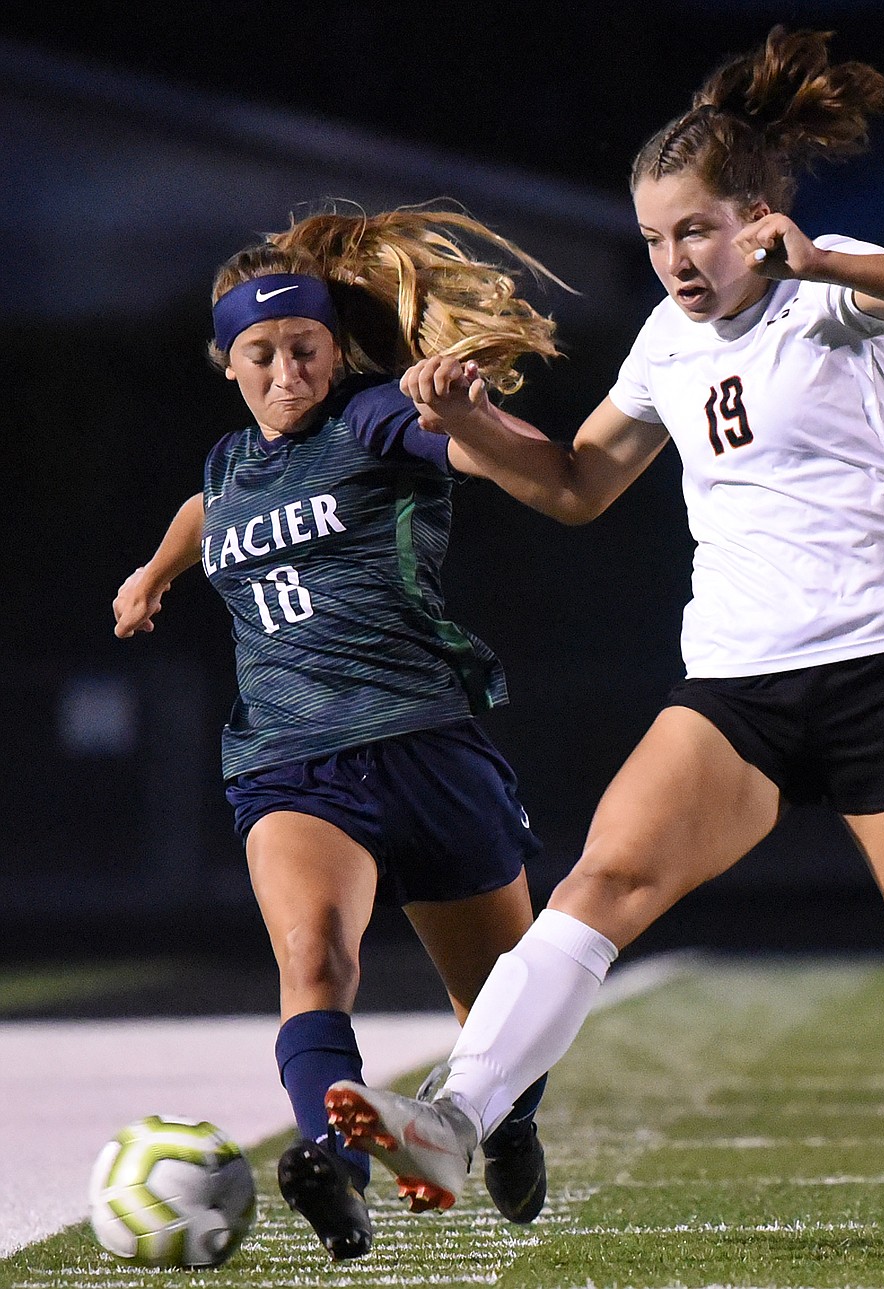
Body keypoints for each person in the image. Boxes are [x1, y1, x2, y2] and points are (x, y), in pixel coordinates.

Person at [321, 25, 884, 1212]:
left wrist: (829, 268)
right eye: (654, 237)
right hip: (738, 680)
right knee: (602, 880)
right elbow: (580, 485)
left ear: (755, 216)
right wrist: (475, 424)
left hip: (883, 666)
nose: (675, 259)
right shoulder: (666, 339)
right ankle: (452, 1114)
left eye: (694, 228)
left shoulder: (828, 280)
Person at [112, 207, 572, 1258]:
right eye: (259, 353)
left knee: (497, 1006)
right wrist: (154, 572)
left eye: (303, 348)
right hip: (292, 761)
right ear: (227, 362)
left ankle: (513, 1121)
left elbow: (463, 443)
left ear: (334, 348)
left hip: (427, 744)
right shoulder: (229, 464)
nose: (285, 369)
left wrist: (472, 417)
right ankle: (337, 1163)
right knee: (313, 960)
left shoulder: (371, 422)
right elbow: (203, 509)